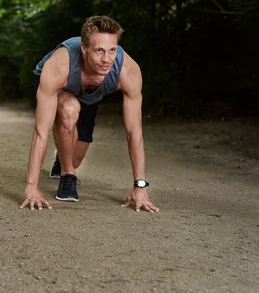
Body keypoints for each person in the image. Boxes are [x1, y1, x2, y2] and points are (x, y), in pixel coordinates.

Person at [20, 15, 159, 213]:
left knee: (74, 157)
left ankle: (64, 158)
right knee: (69, 109)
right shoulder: (58, 66)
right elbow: (41, 131)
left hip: (90, 95)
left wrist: (140, 187)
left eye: (112, 50)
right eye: (99, 51)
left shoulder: (128, 70)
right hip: (62, 87)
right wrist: (32, 187)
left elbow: (134, 132)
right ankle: (68, 176)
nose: (106, 59)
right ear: (84, 49)